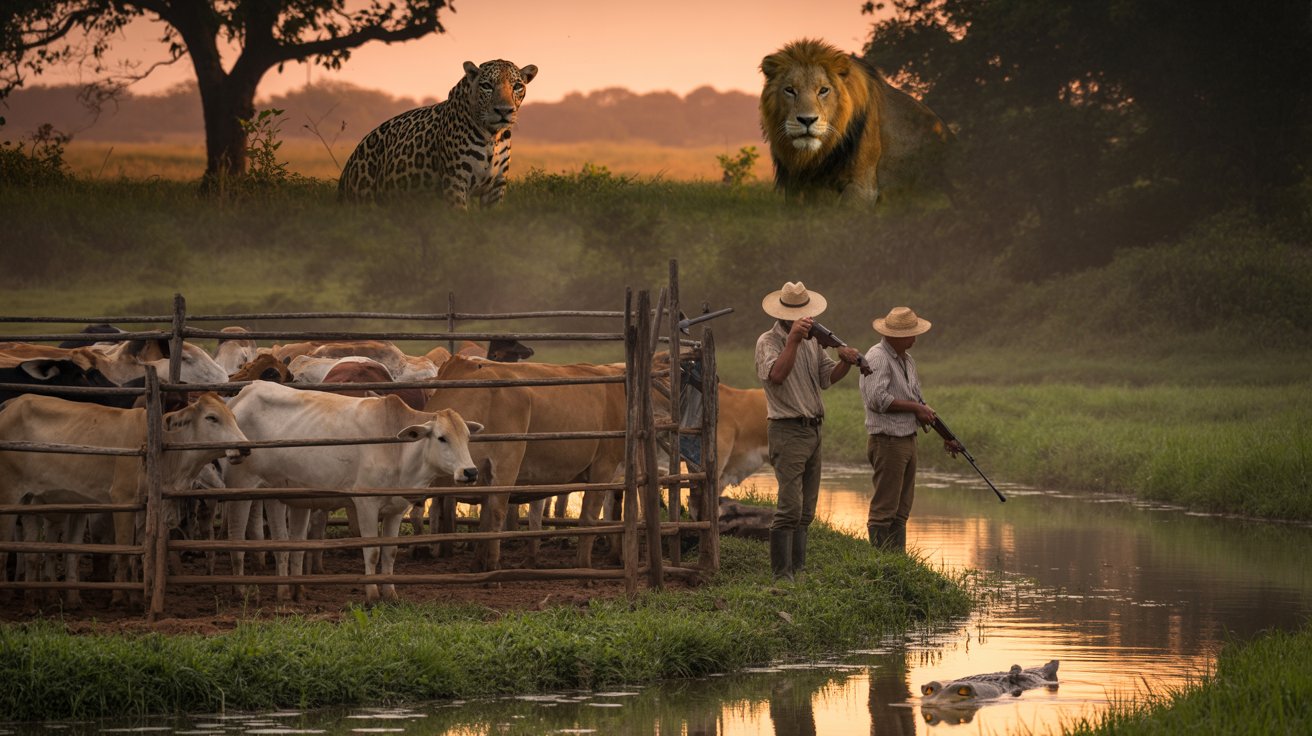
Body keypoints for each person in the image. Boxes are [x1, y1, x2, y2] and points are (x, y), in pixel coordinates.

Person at [755, 281, 861, 582]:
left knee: (806, 510)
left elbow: (826, 377)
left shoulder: (813, 341)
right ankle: (781, 575)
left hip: (813, 429)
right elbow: (777, 375)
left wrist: (845, 362)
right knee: (789, 507)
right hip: (787, 429)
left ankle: (798, 571)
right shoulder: (768, 341)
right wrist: (793, 341)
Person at [859, 306, 959, 552]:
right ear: (896, 335)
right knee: (885, 508)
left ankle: (897, 561)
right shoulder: (877, 357)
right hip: (888, 440)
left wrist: (945, 435)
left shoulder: (907, 360)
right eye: (911, 334)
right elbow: (877, 399)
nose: (915, 339)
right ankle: (880, 563)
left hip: (907, 438)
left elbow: (917, 400)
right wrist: (915, 408)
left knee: (901, 509)